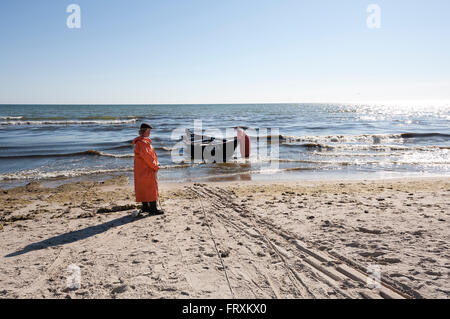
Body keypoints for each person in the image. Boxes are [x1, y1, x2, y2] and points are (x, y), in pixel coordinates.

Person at [132, 123, 164, 215]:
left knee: (143, 187)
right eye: (149, 131)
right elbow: (147, 157)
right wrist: (155, 166)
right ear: (145, 131)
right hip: (147, 168)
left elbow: (148, 156)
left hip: (141, 169)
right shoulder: (142, 143)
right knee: (151, 187)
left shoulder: (143, 142)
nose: (150, 132)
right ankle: (153, 209)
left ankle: (145, 207)